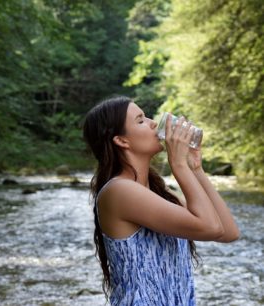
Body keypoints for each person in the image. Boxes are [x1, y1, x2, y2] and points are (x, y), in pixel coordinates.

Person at [83, 95, 239, 306]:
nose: (153, 123)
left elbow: (228, 232)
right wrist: (178, 165)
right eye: (140, 120)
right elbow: (210, 227)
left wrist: (195, 168)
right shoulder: (120, 191)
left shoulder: (156, 193)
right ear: (122, 141)